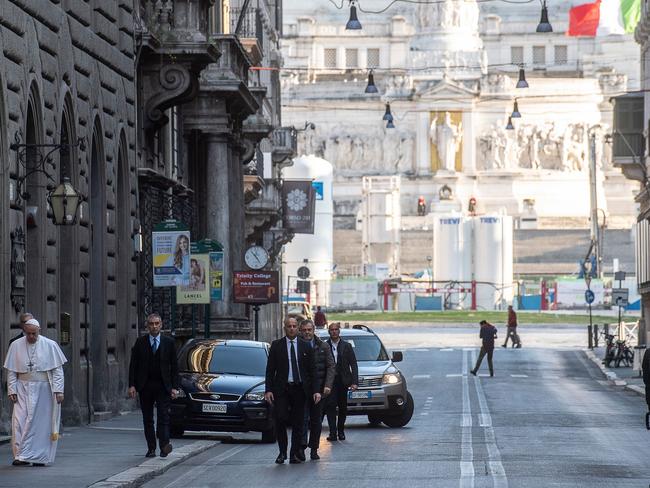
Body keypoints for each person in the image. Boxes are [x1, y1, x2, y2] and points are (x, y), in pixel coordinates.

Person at [3, 318, 67, 466]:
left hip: (43, 389)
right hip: (22, 387)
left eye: (34, 334)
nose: (31, 337)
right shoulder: (16, 345)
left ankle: (39, 457)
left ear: (39, 331)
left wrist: (59, 390)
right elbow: (12, 370)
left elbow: (57, 371)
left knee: (41, 424)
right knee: (19, 421)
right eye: (28, 334)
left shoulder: (50, 345)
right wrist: (11, 389)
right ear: (24, 332)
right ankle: (20, 456)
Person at [265, 317, 318, 464]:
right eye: (289, 326)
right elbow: (270, 370)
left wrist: (316, 390)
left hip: (300, 389)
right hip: (282, 389)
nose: (292, 328)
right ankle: (282, 452)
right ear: (285, 328)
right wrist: (268, 390)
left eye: (294, 326)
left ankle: (294, 453)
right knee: (281, 419)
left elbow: (312, 371)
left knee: (299, 422)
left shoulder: (306, 346)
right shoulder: (276, 346)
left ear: (298, 328)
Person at [128, 313, 180, 458]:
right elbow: (133, 365)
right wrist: (132, 385)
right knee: (148, 418)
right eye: (151, 324)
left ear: (161, 325)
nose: (154, 326)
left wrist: (175, 387)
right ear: (147, 326)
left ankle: (164, 446)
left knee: (164, 417)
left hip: (163, 386)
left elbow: (174, 367)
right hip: (145, 386)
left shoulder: (169, 342)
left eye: (157, 323)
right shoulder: (140, 342)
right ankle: (151, 448)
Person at [299, 319, 334, 460]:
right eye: (304, 330)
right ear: (301, 331)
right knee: (301, 420)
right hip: (301, 391)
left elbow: (331, 366)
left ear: (313, 330)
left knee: (316, 421)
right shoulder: (297, 346)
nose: (307, 333)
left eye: (309, 330)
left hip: (319, 391)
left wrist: (327, 385)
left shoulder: (323, 346)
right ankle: (301, 448)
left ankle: (314, 448)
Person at [325, 322, 358, 441]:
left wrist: (354, 382)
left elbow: (353, 364)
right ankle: (332, 432)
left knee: (343, 407)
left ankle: (341, 431)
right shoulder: (325, 345)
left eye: (336, 329)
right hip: (330, 381)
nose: (334, 331)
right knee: (330, 406)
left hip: (343, 381)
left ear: (339, 331)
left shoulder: (346, 346)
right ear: (329, 332)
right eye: (331, 330)